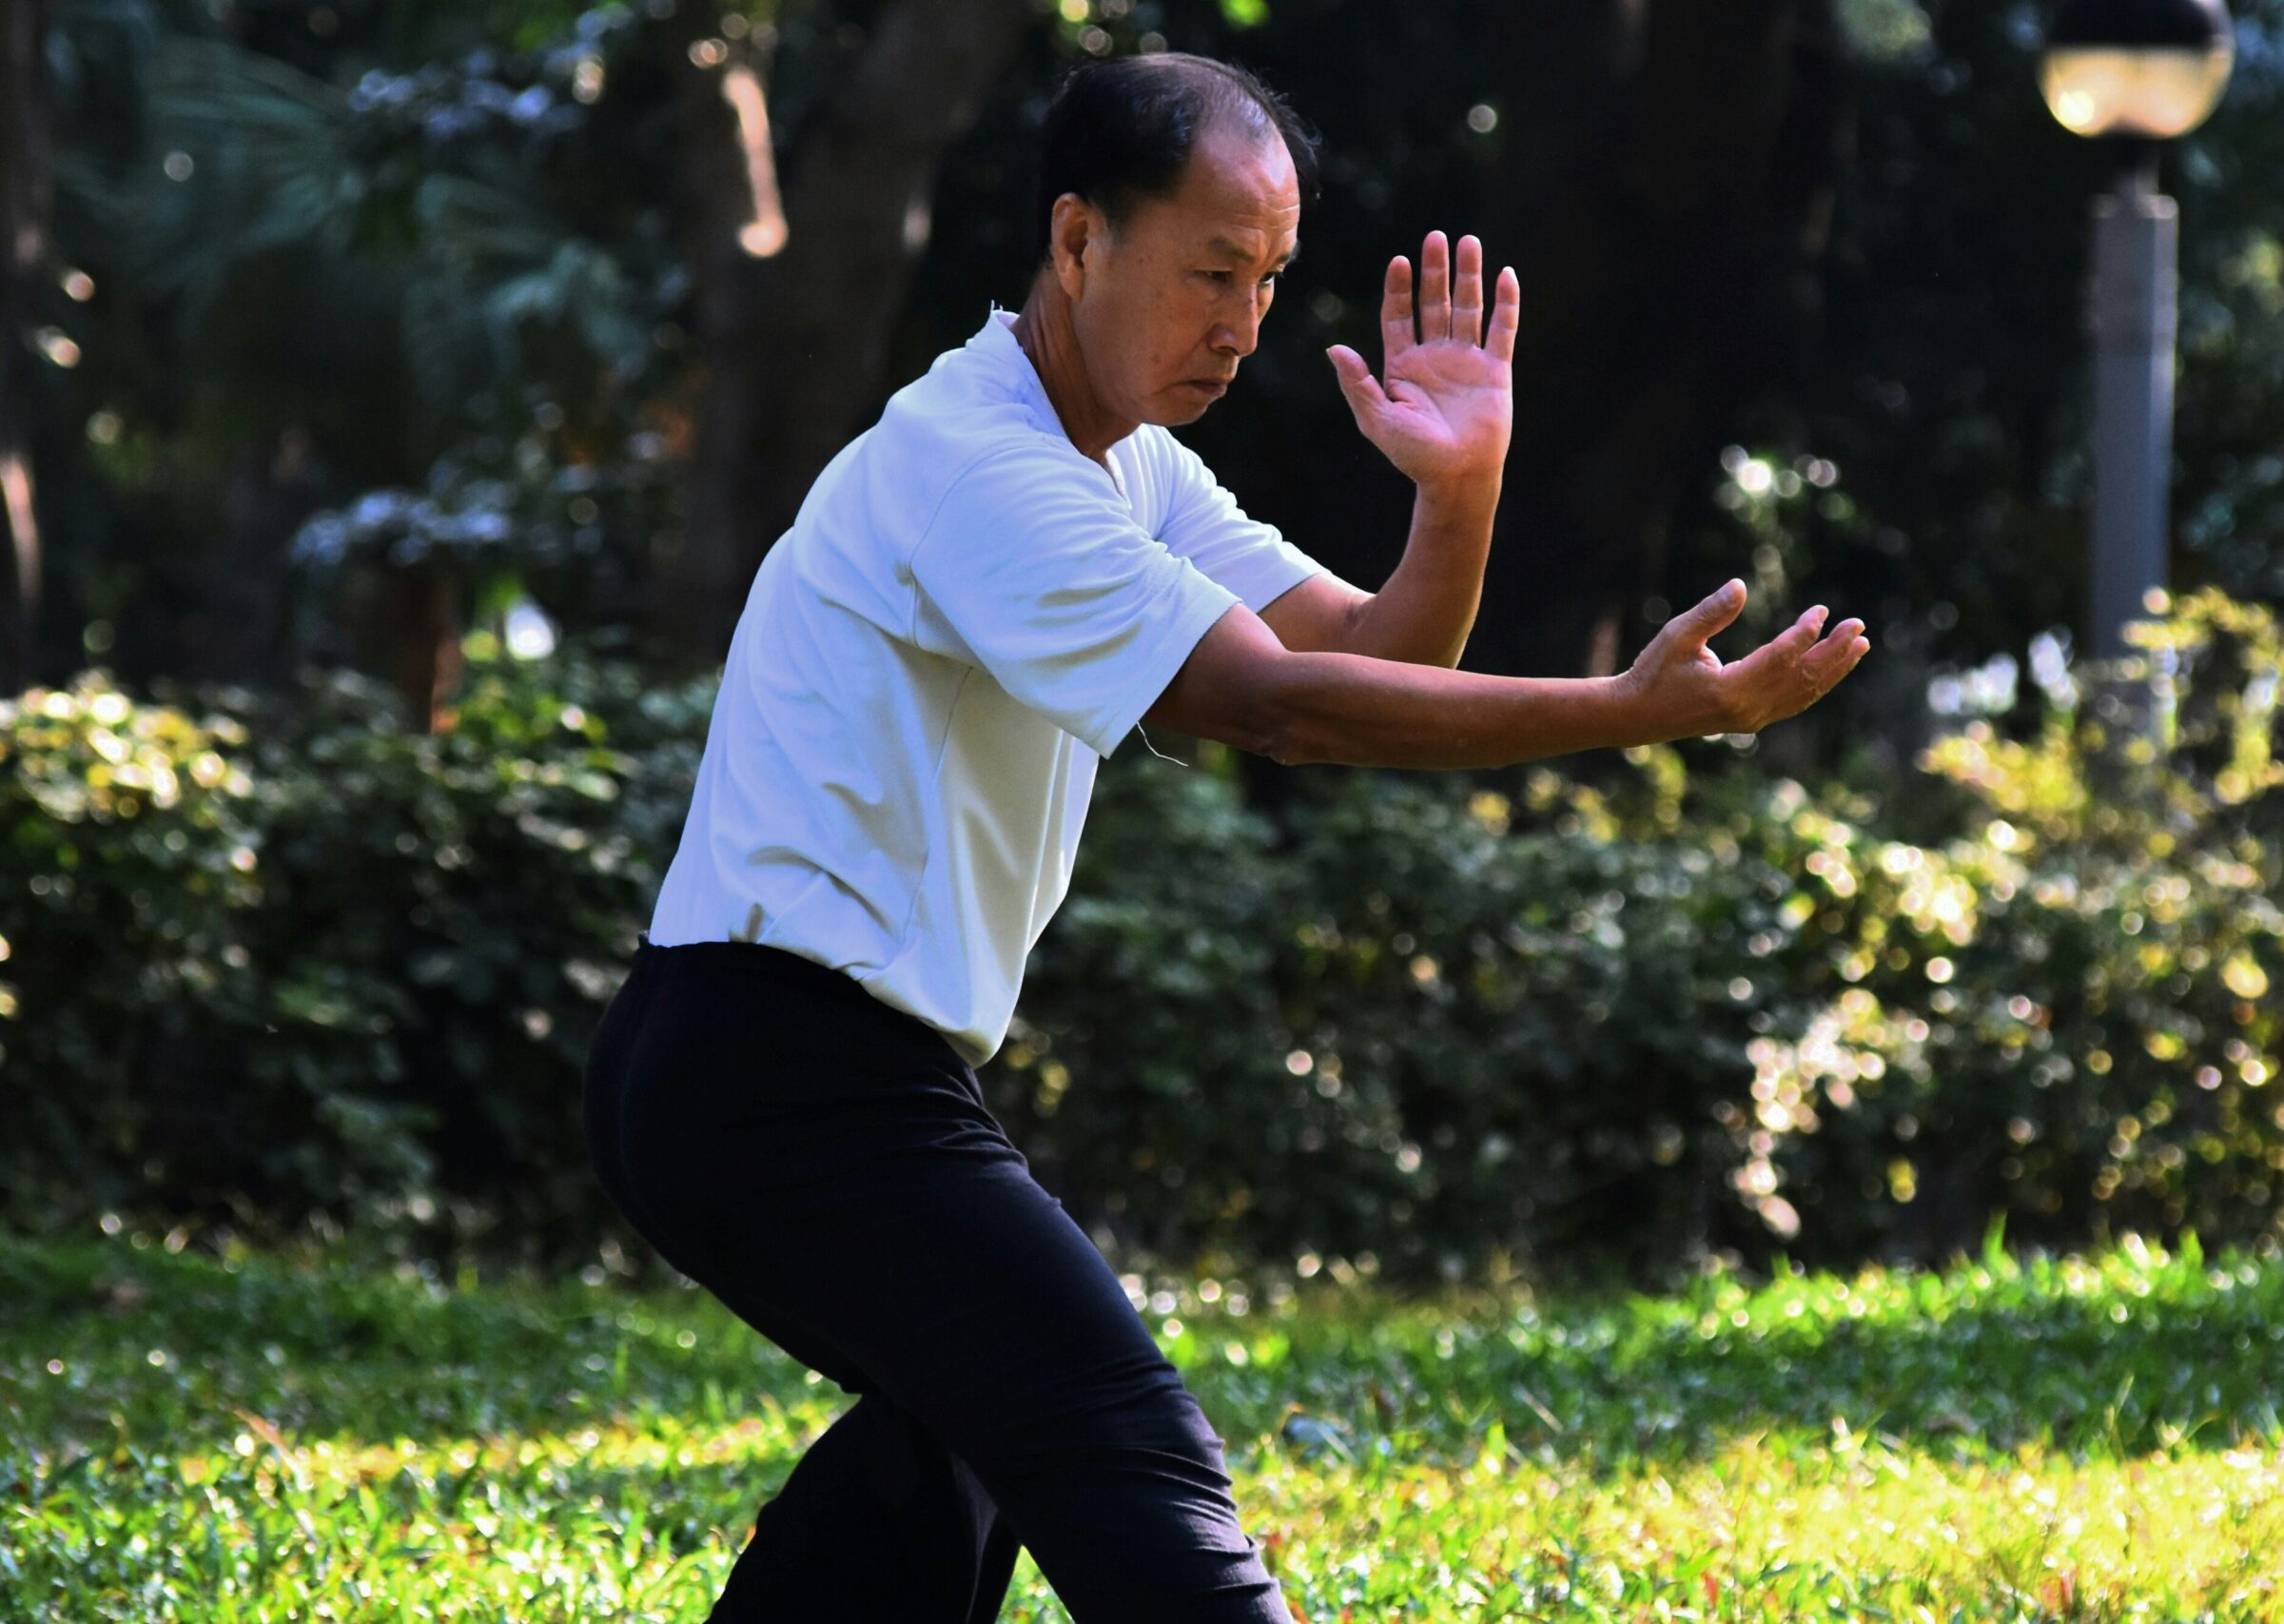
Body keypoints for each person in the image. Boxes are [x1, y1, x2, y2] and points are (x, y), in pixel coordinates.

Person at [582, 48, 1869, 1624]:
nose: (1243, 322)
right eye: (1210, 270)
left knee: (974, 1437)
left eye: (1269, 277)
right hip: (775, 1073)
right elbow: (1286, 713)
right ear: (1077, 244)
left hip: (795, 1072)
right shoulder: (982, 471)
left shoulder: (1120, 464)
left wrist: (1458, 492)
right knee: (1121, 1448)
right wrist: (1632, 708)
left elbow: (1376, 652)